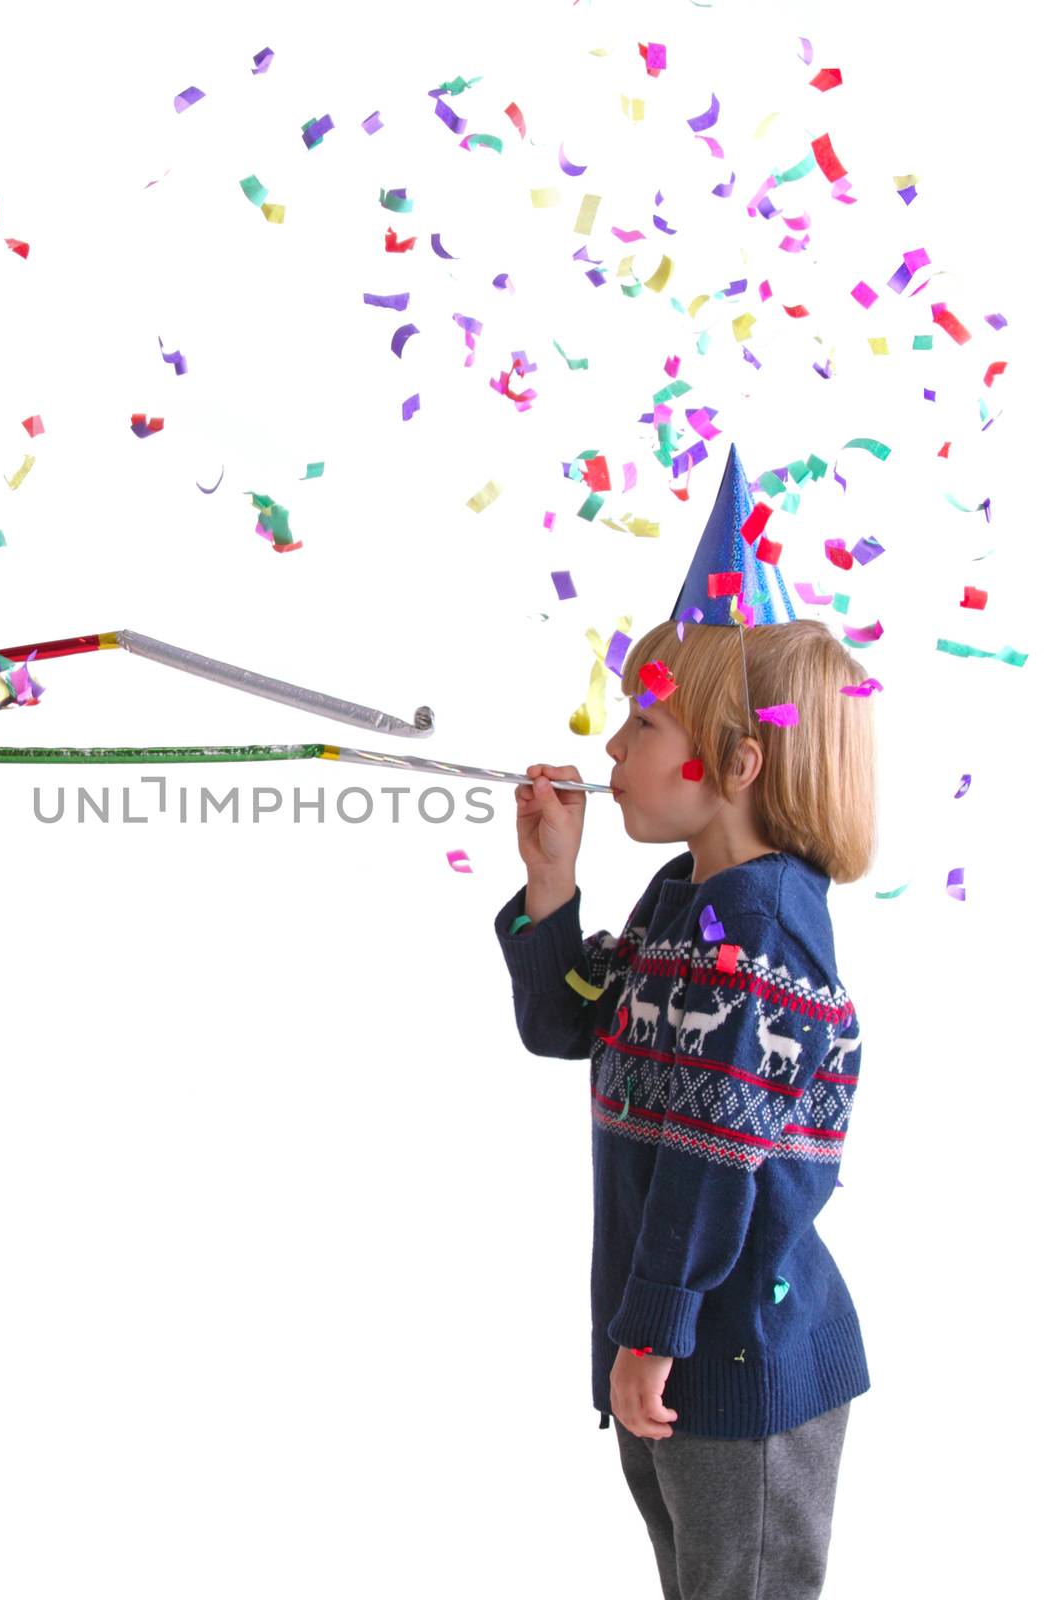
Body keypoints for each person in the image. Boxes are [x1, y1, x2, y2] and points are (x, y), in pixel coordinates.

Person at [495, 449, 879, 1600]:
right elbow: (569, 1031)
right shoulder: (684, 907)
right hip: (669, 1341)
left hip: (731, 1353)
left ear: (736, 761)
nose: (612, 748)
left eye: (643, 722)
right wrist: (553, 888)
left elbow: (717, 1158)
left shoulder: (758, 936)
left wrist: (653, 1327)